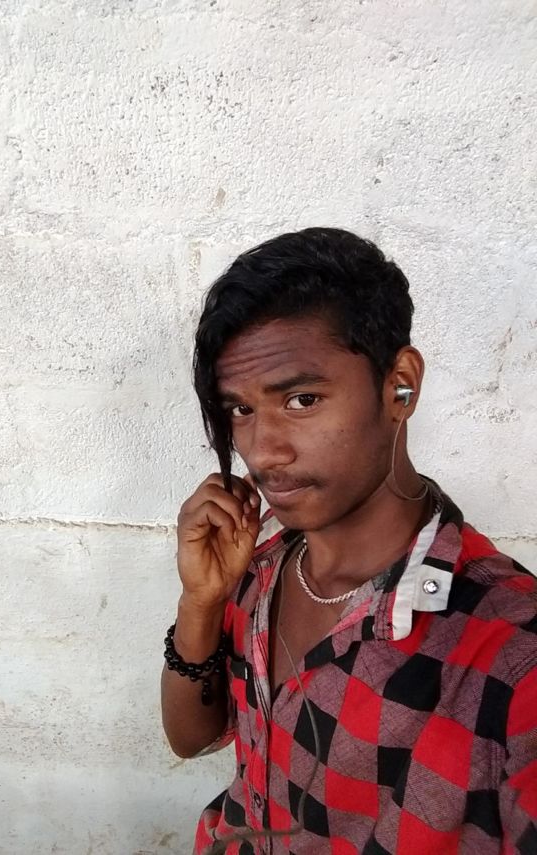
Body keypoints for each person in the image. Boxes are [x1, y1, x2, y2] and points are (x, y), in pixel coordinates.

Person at [160, 228, 537, 854]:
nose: (262, 451)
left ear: (400, 386)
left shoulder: (511, 653)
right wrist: (200, 601)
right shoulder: (259, 565)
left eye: (301, 399)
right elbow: (191, 739)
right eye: (240, 411)